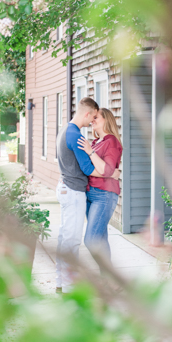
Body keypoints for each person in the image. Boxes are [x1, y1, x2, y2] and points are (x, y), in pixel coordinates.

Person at [55, 97, 117, 293]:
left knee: (65, 237)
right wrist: (111, 172)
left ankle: (61, 281)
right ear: (87, 113)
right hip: (73, 192)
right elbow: (88, 168)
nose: (92, 122)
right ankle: (68, 285)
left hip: (67, 187)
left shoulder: (66, 130)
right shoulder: (76, 135)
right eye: (92, 118)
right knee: (72, 240)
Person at [78, 107, 123, 266]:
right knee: (101, 240)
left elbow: (106, 169)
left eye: (96, 117)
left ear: (106, 120)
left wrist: (90, 152)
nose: (92, 120)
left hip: (104, 195)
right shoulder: (97, 142)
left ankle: (111, 277)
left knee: (91, 240)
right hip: (92, 194)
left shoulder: (111, 142)